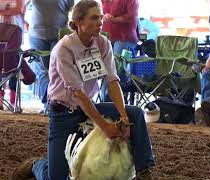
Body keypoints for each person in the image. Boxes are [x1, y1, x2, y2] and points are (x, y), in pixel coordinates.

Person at [11, 1, 155, 180]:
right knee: (56, 178)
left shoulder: (103, 43)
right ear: (78, 21)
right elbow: (77, 93)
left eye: (101, 18)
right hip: (62, 113)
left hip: (87, 108)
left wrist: (124, 118)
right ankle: (37, 164)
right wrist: (105, 126)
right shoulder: (64, 48)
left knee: (135, 113)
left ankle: (144, 171)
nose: (100, 22)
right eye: (94, 18)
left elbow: (112, 81)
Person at [26, 0, 74, 112]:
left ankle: (58, 103)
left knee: (58, 70)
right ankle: (47, 105)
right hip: (36, 34)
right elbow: (24, 6)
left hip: (59, 34)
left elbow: (71, 9)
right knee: (42, 71)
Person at [0, 0, 28, 109]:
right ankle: (1, 100)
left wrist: (3, 12)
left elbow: (19, 9)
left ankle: (13, 100)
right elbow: (16, 10)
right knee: (0, 64)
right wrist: (11, 11)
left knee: (14, 63)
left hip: (16, 33)